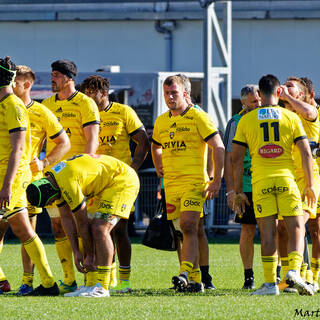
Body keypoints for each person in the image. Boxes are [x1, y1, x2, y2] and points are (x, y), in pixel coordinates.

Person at [233, 74, 316, 296]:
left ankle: (270, 283)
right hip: (287, 179)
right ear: (279, 93)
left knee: (267, 232)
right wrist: (310, 185)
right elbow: (306, 152)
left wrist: (238, 191)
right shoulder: (290, 117)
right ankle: (294, 271)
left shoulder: (246, 121)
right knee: (297, 226)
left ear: (259, 95)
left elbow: (236, 158)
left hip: (261, 182)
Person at [26, 153, 140, 298]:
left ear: (49, 193)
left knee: (99, 229)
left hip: (123, 181)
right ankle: (92, 284)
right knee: (94, 229)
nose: (50, 204)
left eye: (48, 202)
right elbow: (66, 218)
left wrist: (90, 256)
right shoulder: (53, 179)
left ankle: (103, 287)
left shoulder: (68, 183)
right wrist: (76, 252)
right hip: (107, 184)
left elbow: (82, 222)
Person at [0, 65, 70, 295]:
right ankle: (10, 281)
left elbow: (63, 143)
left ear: (26, 84)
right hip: (7, 176)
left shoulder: (30, 110)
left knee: (26, 231)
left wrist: (44, 162)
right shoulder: (6, 105)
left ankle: (34, 281)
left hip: (23, 180)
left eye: (17, 81)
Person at [151, 75, 225, 292]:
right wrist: (158, 167)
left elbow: (218, 147)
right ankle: (195, 280)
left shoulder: (198, 117)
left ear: (185, 94)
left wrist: (215, 179)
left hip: (194, 183)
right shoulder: (162, 121)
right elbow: (155, 145)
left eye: (174, 93)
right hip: (171, 185)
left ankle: (184, 273)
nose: (170, 97)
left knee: (189, 226)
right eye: (166, 93)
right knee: (184, 232)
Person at [80, 75, 149, 293]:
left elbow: (142, 141)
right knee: (94, 230)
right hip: (94, 181)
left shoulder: (123, 111)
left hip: (119, 181)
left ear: (104, 92)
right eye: (87, 92)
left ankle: (124, 280)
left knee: (118, 229)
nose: (89, 96)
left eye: (93, 92)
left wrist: (133, 167)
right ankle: (103, 279)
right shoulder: (86, 113)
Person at [41, 59, 100, 294]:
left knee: (86, 225)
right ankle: (68, 279)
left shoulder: (85, 103)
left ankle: (93, 278)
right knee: (58, 226)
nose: (52, 78)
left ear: (69, 78)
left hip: (79, 175)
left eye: (56, 74)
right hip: (54, 176)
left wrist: (85, 170)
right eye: (52, 74)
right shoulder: (46, 104)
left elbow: (92, 140)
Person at [224, 84, 261, 289]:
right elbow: (229, 159)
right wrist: (232, 191)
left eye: (259, 101)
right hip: (244, 185)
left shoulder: (268, 117)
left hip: (264, 181)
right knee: (247, 229)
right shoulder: (235, 122)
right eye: (254, 102)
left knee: (272, 229)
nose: (258, 105)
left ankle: (276, 274)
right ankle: (249, 276)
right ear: (243, 103)